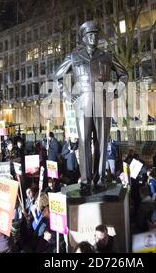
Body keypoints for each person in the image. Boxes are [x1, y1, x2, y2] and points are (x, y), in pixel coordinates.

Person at [54, 20, 128, 195]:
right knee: (84, 141)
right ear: (84, 38)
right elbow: (57, 77)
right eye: (89, 35)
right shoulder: (74, 57)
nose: (93, 37)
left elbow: (123, 75)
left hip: (103, 100)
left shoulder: (107, 56)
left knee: (102, 141)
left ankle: (100, 179)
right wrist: (68, 95)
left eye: (95, 34)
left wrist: (116, 92)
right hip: (83, 103)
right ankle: (86, 182)